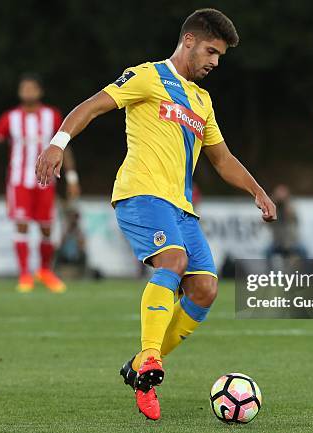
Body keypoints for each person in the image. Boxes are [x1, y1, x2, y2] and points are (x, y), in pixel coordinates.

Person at [35, 9, 276, 420]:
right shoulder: (146, 76)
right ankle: (150, 359)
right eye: (211, 52)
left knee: (204, 289)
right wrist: (58, 142)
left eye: (220, 56)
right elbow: (92, 106)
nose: (215, 62)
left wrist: (256, 189)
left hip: (181, 208)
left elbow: (222, 158)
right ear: (189, 41)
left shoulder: (202, 100)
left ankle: (140, 367)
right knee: (174, 261)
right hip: (141, 194)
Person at [0, 73, 80, 293]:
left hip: (46, 180)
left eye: (31, 88)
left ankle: (45, 271)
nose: (27, 92)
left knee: (47, 228)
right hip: (19, 181)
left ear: (40, 91)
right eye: (24, 88)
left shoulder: (52, 116)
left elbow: (65, 146)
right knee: (21, 225)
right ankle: (24, 274)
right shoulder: (10, 118)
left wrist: (72, 177)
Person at [265, 184, 306, 267]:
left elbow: (293, 218)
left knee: (304, 252)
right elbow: (265, 222)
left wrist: (286, 203)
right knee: (267, 252)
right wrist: (273, 202)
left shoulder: (291, 206)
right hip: (277, 242)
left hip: (291, 242)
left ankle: (305, 274)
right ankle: (269, 275)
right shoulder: (272, 207)